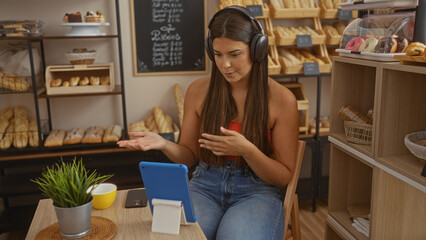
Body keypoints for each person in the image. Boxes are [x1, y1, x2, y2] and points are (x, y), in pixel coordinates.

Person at [117, 5, 299, 240]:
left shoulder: (282, 100)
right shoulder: (198, 91)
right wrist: (163, 144)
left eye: (234, 54)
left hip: (257, 190)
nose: (225, 65)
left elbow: (283, 176)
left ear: (257, 50)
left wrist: (247, 150)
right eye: (218, 54)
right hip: (205, 185)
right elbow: (189, 156)